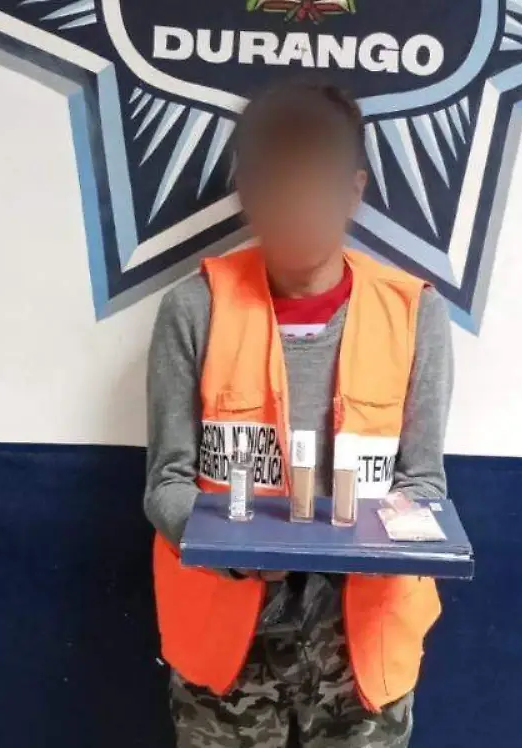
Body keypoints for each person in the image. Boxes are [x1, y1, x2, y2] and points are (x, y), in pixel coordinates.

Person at [143, 80, 454, 748]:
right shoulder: (194, 309)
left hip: (362, 648)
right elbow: (165, 484)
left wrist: (373, 543)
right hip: (227, 650)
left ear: (353, 190)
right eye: (277, 189)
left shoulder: (413, 313)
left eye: (314, 189)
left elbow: (424, 484)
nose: (296, 210)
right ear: (247, 191)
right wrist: (236, 551)